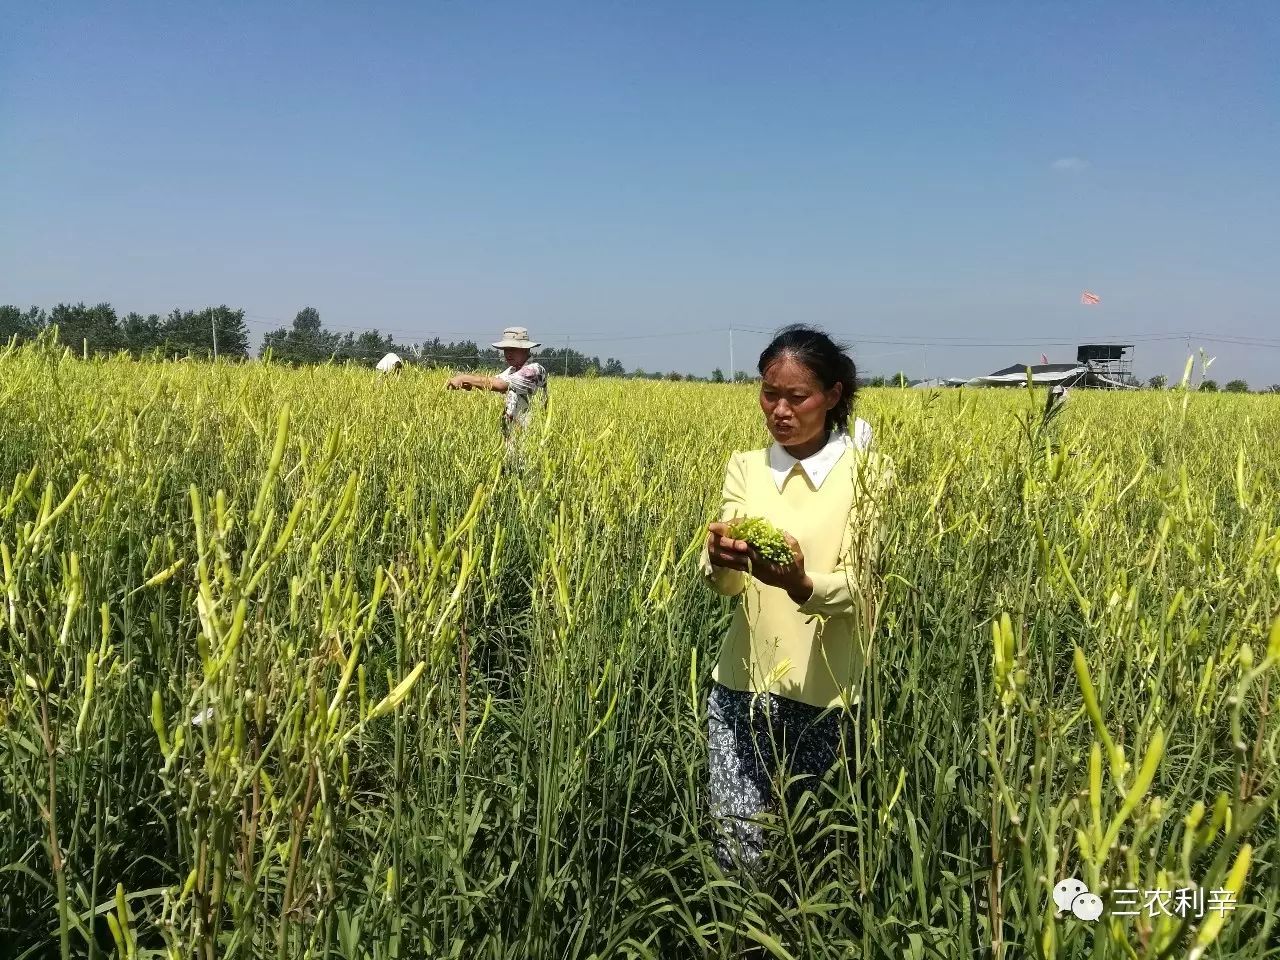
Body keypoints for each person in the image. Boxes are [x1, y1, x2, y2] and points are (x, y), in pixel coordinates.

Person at [700, 324, 891, 871]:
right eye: (769, 393)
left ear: (831, 397)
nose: (779, 410)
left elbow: (865, 585)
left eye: (796, 396)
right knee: (740, 855)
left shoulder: (870, 473)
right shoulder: (746, 465)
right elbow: (728, 584)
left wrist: (800, 584)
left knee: (812, 858)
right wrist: (719, 559)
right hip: (740, 686)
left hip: (826, 694)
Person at [445, 326, 549, 438]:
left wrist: (464, 378)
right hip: (513, 435)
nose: (508, 354)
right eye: (506, 349)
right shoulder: (512, 370)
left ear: (525, 349)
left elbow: (500, 385)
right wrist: (471, 384)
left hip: (530, 436)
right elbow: (493, 381)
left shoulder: (534, 370)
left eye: (512, 349)